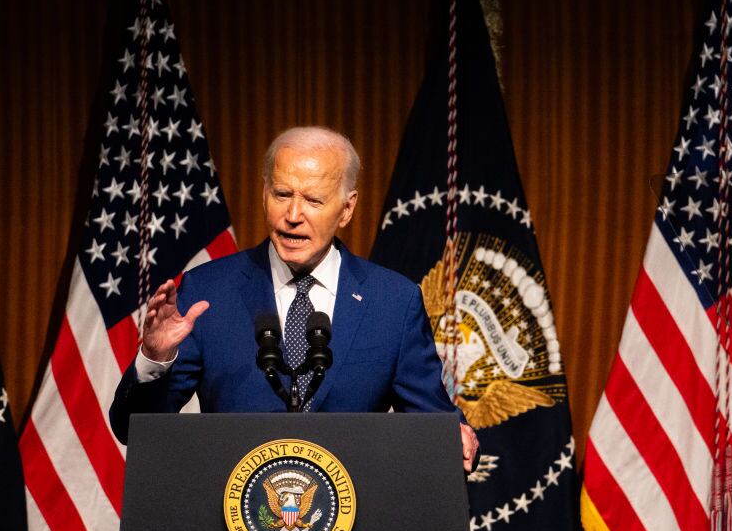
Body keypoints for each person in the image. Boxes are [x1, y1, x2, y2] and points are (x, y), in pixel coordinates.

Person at [109, 126, 478, 470]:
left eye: (314, 200)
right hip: (234, 521)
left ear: (347, 208)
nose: (293, 216)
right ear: (264, 192)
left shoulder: (393, 303)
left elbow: (435, 426)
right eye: (282, 194)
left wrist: (453, 438)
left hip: (351, 524)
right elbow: (134, 430)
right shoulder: (209, 293)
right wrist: (155, 358)